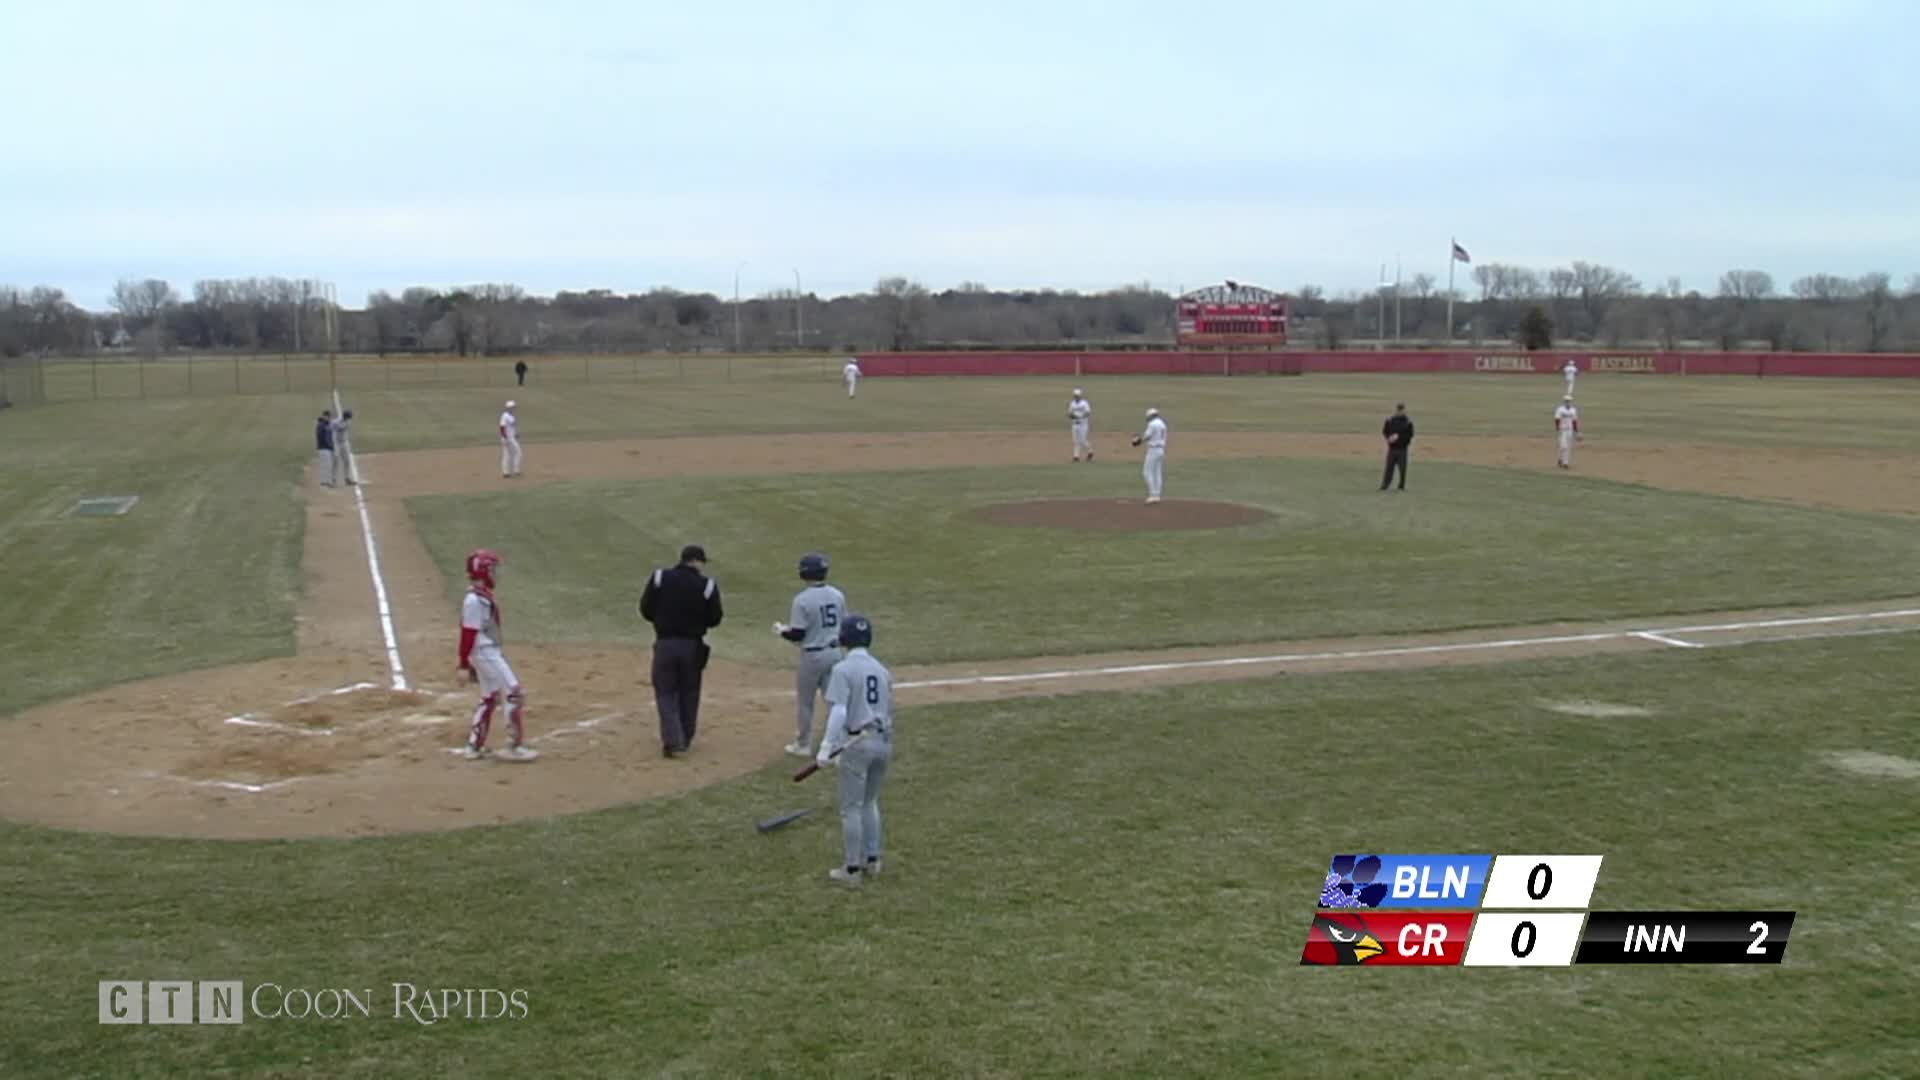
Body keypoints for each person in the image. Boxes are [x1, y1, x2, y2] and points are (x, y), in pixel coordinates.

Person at [817, 613, 893, 887]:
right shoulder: (882, 670)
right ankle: (873, 859)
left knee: (851, 808)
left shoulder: (843, 670)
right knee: (870, 802)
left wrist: (827, 746)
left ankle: (851, 869)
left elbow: (839, 711)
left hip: (857, 744)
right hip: (882, 741)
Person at [639, 544, 724, 757]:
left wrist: (663, 620)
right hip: (692, 646)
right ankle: (685, 737)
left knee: (666, 693)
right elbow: (715, 619)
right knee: (690, 692)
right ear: (698, 561)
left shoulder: (660, 577)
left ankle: (672, 740)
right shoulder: (707, 586)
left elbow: (646, 609)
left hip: (665, 643)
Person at [457, 549, 537, 762]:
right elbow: (468, 633)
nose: (495, 574)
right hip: (485, 653)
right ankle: (515, 746)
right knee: (513, 693)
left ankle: (474, 746)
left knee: (490, 698)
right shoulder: (473, 601)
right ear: (483, 572)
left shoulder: (480, 597)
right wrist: (464, 664)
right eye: (491, 569)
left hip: (486, 651)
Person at [774, 552, 848, 758]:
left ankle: (803, 744)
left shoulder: (802, 600)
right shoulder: (837, 594)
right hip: (835, 653)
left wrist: (781, 631)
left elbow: (798, 633)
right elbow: (844, 626)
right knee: (834, 701)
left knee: (806, 702)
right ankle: (837, 745)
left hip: (812, 657)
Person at [1131, 407, 1167, 503]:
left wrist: (1137, 441)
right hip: (1161, 450)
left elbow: (1147, 436)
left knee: (1147, 472)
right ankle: (1157, 495)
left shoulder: (1152, 424)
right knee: (1157, 472)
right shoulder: (1163, 424)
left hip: (1153, 450)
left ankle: (1152, 495)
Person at [1381, 403, 1414, 491]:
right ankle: (1385, 485)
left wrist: (1399, 437)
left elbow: (1410, 435)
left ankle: (1401, 486)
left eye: (1401, 410)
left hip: (1402, 449)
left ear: (1404, 410)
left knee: (1402, 469)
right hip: (1392, 449)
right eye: (1398, 410)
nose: (1400, 412)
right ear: (1396, 410)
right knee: (1389, 468)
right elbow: (1385, 431)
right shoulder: (1390, 420)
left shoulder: (1407, 422)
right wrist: (1389, 438)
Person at [1554, 395, 1582, 468]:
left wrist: (1577, 432)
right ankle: (1560, 459)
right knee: (1563, 446)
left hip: (1570, 430)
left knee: (1568, 447)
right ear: (1564, 401)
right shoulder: (1560, 409)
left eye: (1569, 401)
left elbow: (1574, 421)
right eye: (1566, 401)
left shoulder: (1573, 410)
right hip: (1562, 430)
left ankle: (1565, 463)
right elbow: (1557, 419)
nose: (1568, 402)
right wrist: (1557, 429)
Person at [331, 409, 355, 486]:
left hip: (344, 442)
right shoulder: (336, 422)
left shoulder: (347, 423)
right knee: (336, 460)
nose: (350, 419)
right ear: (346, 417)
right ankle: (333, 479)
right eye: (349, 417)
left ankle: (347, 478)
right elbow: (334, 428)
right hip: (336, 443)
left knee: (347, 461)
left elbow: (341, 427)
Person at [1068, 388, 1094, 462]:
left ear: (1080, 396)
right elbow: (1069, 413)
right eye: (1075, 396)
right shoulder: (1072, 403)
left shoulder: (1084, 403)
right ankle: (1076, 457)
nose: (1076, 397)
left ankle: (1090, 451)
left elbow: (1088, 412)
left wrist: (1081, 417)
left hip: (1083, 424)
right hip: (1074, 424)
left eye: (1077, 396)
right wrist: (1072, 416)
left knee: (1082, 440)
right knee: (1075, 441)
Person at [499, 400, 523, 478]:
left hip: (510, 437)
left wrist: (515, 434)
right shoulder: (505, 415)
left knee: (507, 454)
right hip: (508, 438)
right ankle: (516, 471)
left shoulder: (511, 416)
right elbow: (502, 427)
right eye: (513, 407)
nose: (514, 408)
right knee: (518, 452)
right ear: (509, 408)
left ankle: (506, 473)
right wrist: (505, 437)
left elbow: (512, 427)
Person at [314, 409, 336, 487]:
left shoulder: (323, 424)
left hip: (323, 448)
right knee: (328, 465)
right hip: (324, 448)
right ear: (325, 416)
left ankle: (324, 481)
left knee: (325, 465)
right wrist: (330, 446)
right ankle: (328, 482)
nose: (330, 418)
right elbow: (323, 437)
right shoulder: (322, 425)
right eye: (329, 416)